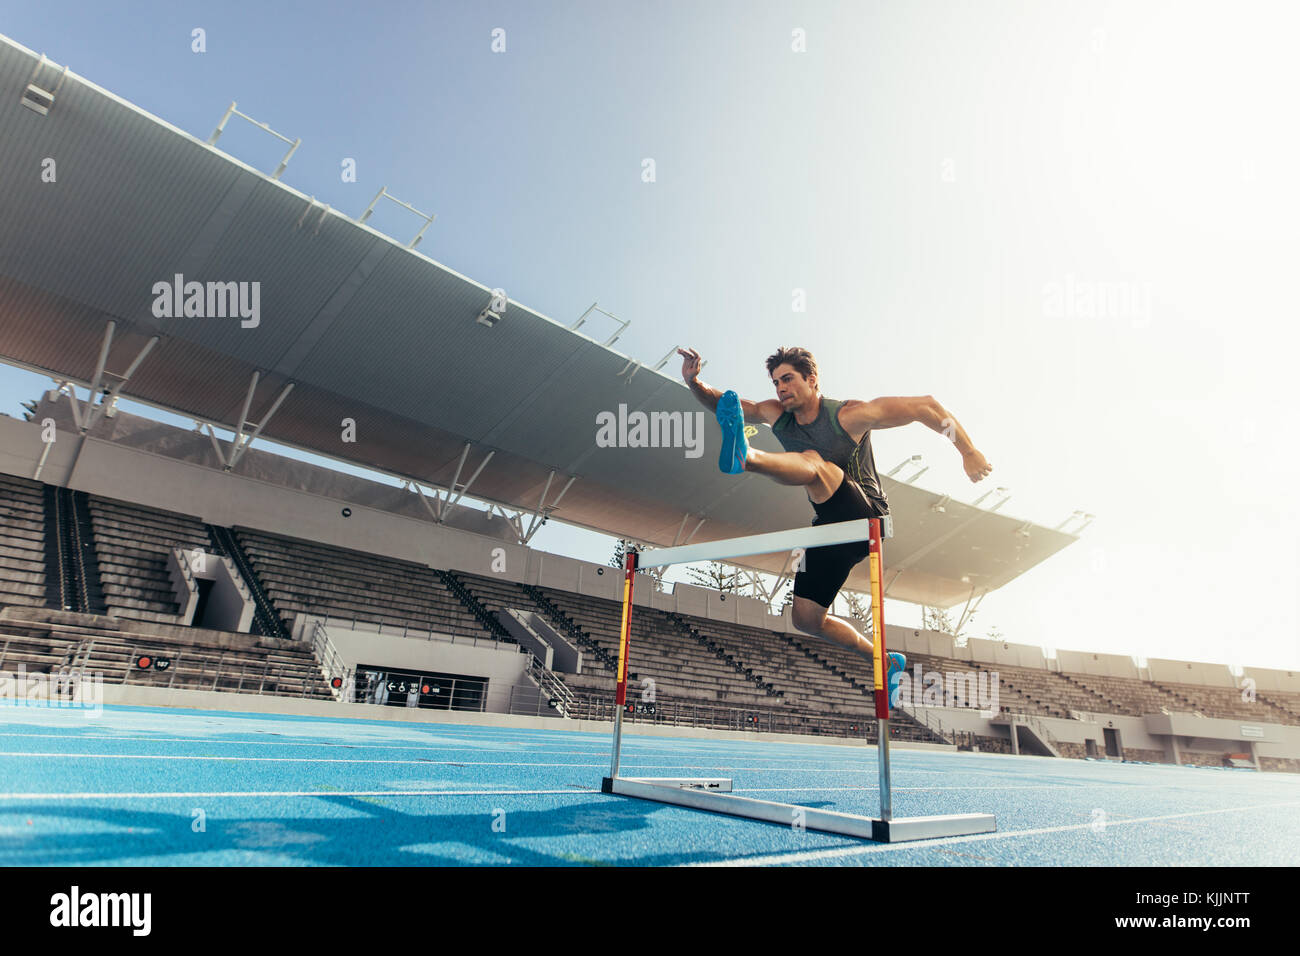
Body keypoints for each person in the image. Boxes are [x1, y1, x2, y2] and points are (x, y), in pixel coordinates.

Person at [679, 345, 993, 705]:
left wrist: (968, 451)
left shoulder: (849, 415)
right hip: (828, 525)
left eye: (789, 379)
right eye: (776, 381)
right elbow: (727, 405)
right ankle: (883, 659)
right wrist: (695, 382)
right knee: (806, 619)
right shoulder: (774, 413)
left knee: (814, 462)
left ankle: (746, 456)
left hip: (867, 517)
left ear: (812, 380)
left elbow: (926, 406)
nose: (781, 388)